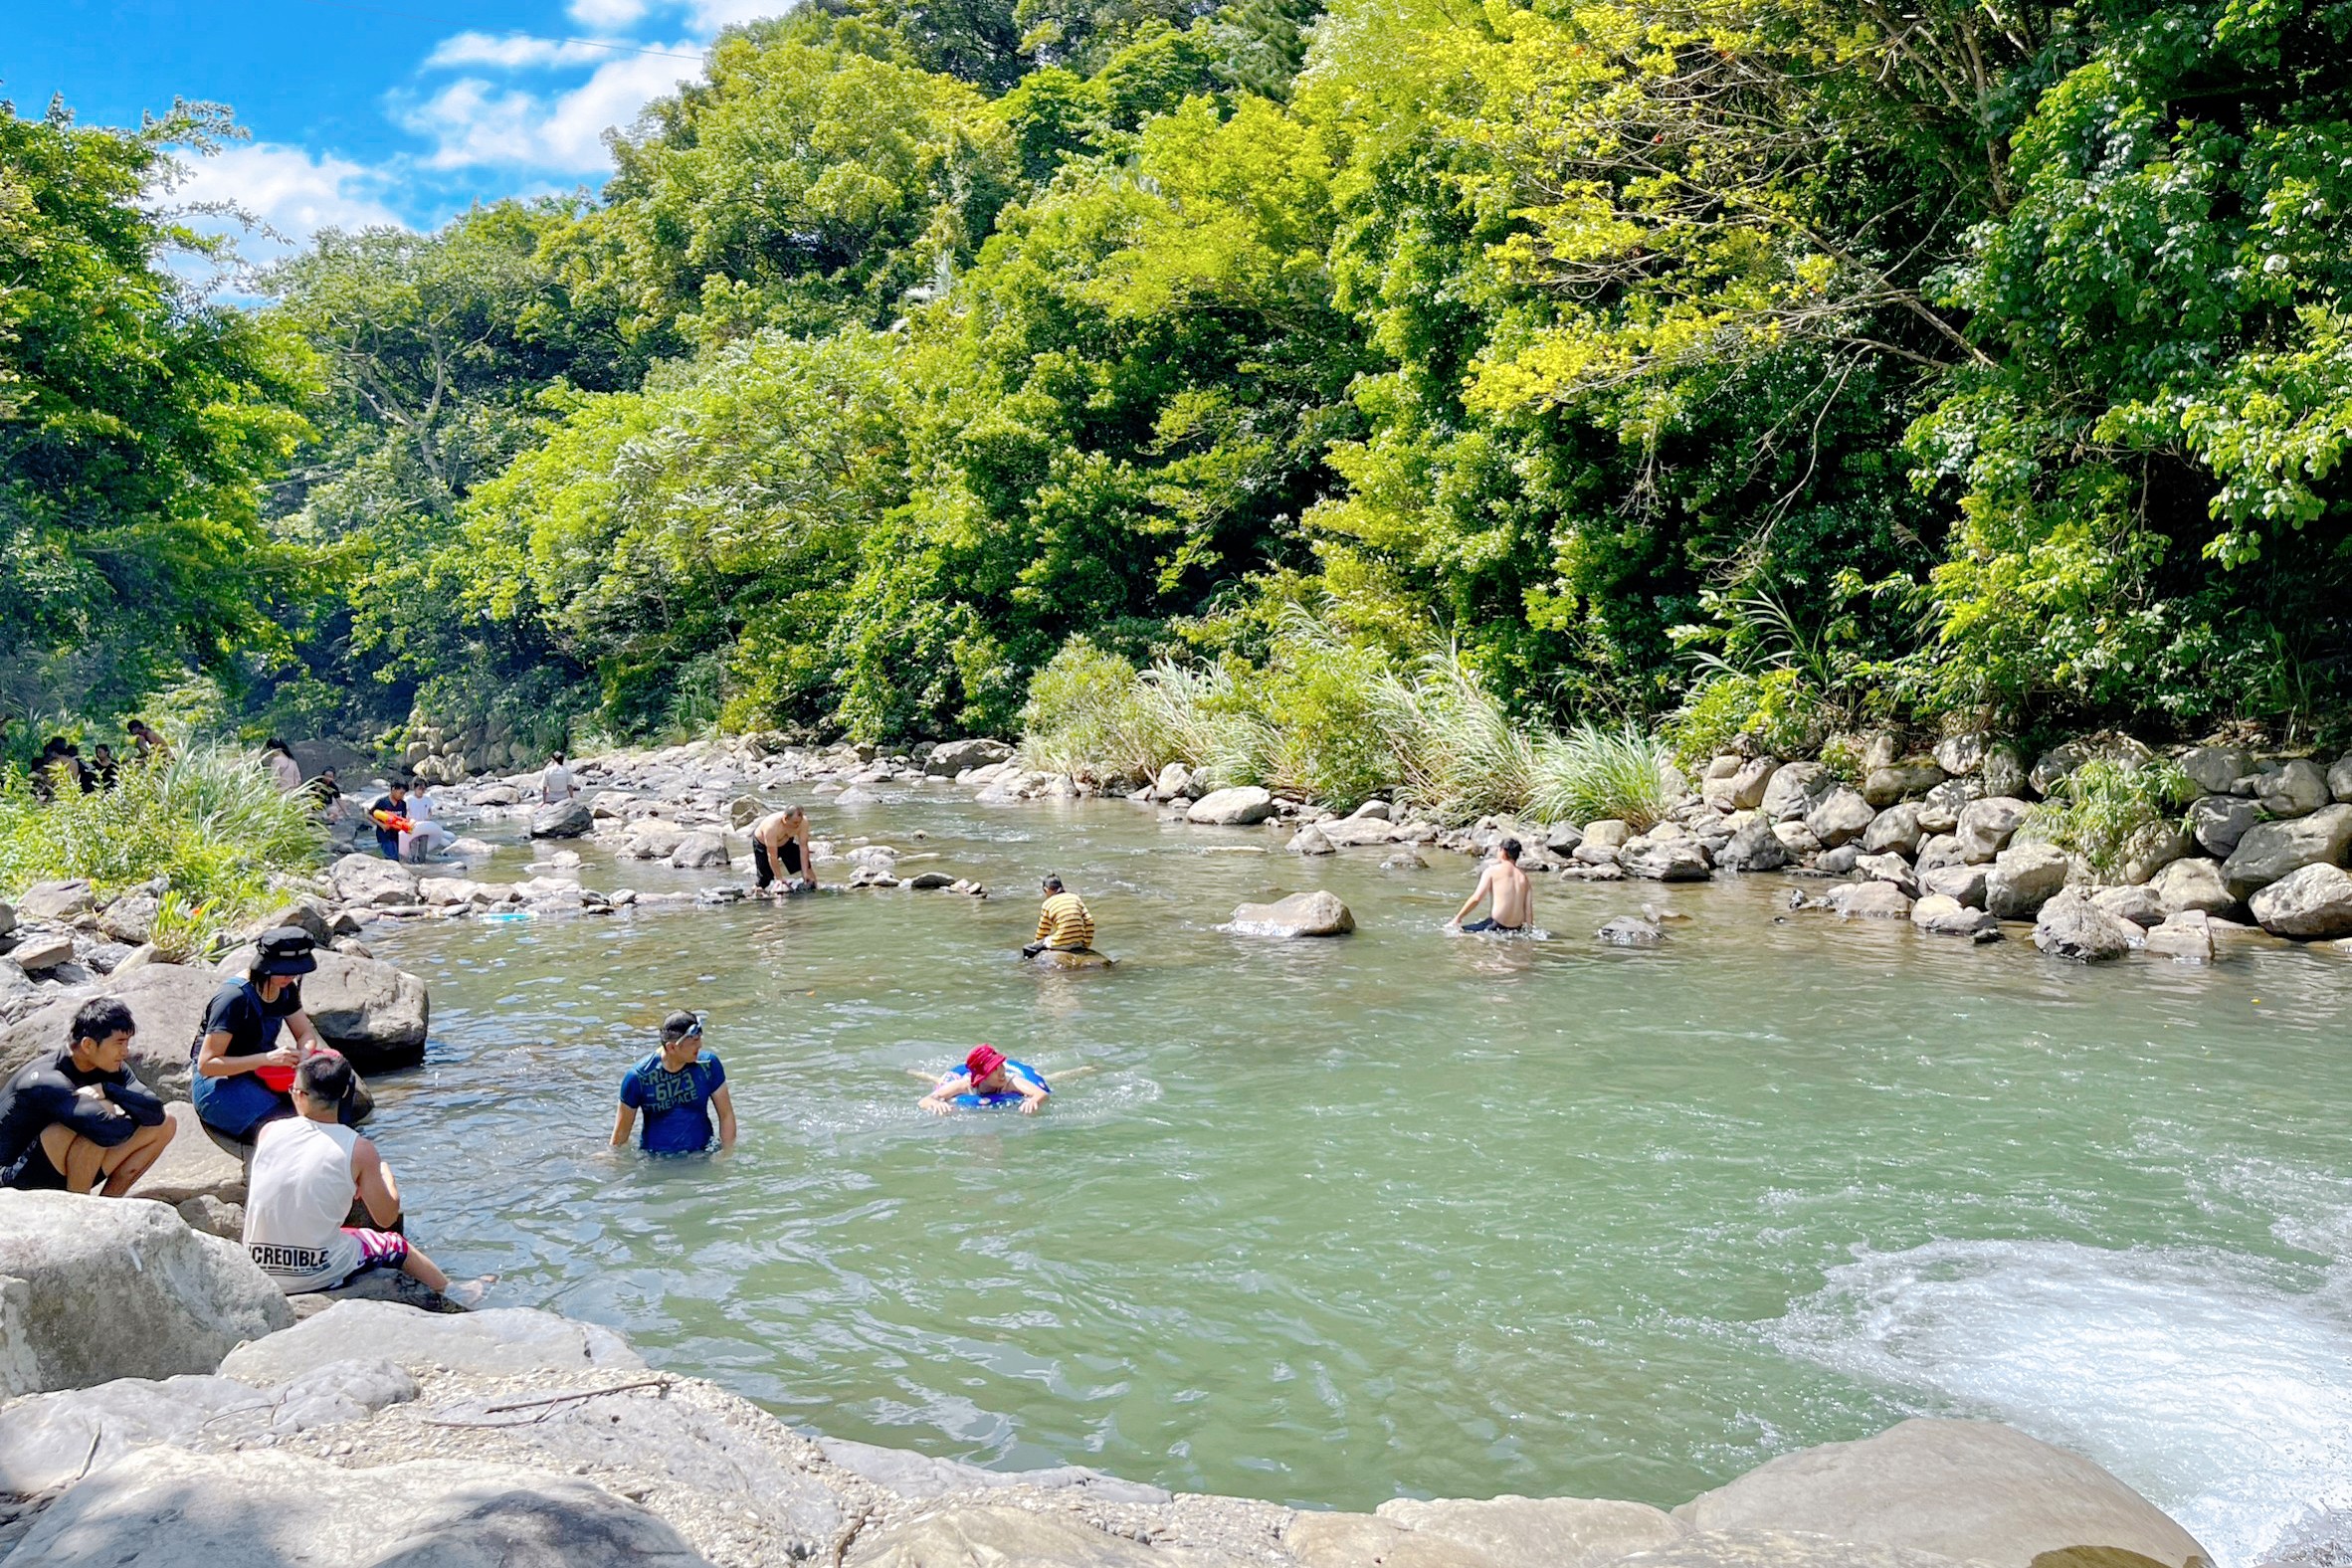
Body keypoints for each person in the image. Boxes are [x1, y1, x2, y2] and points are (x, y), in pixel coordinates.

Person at [244, 1053, 483, 1301]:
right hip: (311, 1273)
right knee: (395, 1245)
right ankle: (457, 1293)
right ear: (346, 1094)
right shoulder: (358, 1149)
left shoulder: (269, 1131)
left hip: (258, 1267)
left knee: (340, 1231)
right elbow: (386, 1217)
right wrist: (385, 1175)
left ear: (300, 1095)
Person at [0, 998, 175, 1194]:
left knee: (166, 1123)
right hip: (15, 1179)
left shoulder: (111, 1070)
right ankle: (80, 1205)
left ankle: (108, 1204)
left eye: (127, 1043)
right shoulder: (47, 1078)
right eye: (119, 1043)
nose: (125, 1052)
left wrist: (109, 1089)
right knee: (101, 1114)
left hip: (59, 1168)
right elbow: (106, 1131)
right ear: (88, 1045)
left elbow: (155, 1112)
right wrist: (128, 1113)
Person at [191, 928, 336, 1141]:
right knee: (291, 1130)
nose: (291, 976)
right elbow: (207, 1064)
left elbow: (305, 1033)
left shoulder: (286, 989)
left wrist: (304, 1057)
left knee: (329, 1103)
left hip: (261, 1070)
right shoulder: (234, 997)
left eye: (295, 971)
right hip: (219, 1082)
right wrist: (266, 1059)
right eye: (285, 971)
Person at [611, 1012, 736, 1155]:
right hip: (657, 1161)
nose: (700, 1045)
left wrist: (726, 1155)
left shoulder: (708, 1065)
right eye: (694, 1042)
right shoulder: (638, 1078)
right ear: (671, 1048)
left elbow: (726, 1115)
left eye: (699, 1039)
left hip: (702, 1155)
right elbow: (620, 1137)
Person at [921, 1044, 1050, 1116]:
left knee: (1051, 1077)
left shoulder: (1010, 1082)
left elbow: (1041, 1093)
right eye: (994, 1069)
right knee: (937, 1080)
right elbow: (925, 1100)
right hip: (960, 1080)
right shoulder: (965, 1085)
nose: (1001, 1072)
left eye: (1001, 1066)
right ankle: (921, 1074)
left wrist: (1033, 1100)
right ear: (982, 1076)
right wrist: (937, 1104)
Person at [1450, 838, 1533, 933]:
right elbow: (1528, 911)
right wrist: (1529, 932)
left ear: (1502, 851)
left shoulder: (1492, 871)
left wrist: (1458, 918)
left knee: (1455, 931)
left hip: (1496, 925)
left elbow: (1477, 898)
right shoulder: (1524, 878)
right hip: (1517, 929)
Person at [1023, 874, 1095, 957]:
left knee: (1028, 947)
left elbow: (1042, 931)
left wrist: (1036, 946)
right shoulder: (1075, 898)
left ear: (1046, 889)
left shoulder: (1047, 904)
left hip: (1061, 944)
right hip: (1078, 943)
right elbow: (1089, 921)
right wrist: (1086, 944)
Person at [749, 807, 816, 893]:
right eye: (795, 823)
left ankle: (816, 889)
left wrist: (805, 872)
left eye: (799, 822)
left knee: (807, 868)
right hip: (763, 845)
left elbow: (803, 848)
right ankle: (755, 892)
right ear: (785, 819)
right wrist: (779, 878)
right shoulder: (772, 826)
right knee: (765, 878)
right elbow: (772, 856)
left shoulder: (803, 823)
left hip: (786, 843)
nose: (798, 825)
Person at [399, 786, 452, 862]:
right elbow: (405, 812)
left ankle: (421, 861)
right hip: (412, 826)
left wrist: (428, 818)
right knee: (413, 844)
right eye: (419, 789)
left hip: (424, 826)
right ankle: (412, 860)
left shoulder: (427, 799)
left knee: (423, 845)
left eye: (423, 789)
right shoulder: (409, 799)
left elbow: (429, 811)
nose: (421, 791)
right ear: (415, 788)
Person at [366, 782, 411, 861]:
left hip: (397, 836)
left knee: (396, 858)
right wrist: (381, 825)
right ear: (393, 789)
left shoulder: (403, 804)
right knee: (393, 858)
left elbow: (403, 819)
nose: (402, 796)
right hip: (384, 835)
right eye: (401, 793)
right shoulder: (382, 802)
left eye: (404, 794)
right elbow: (369, 815)